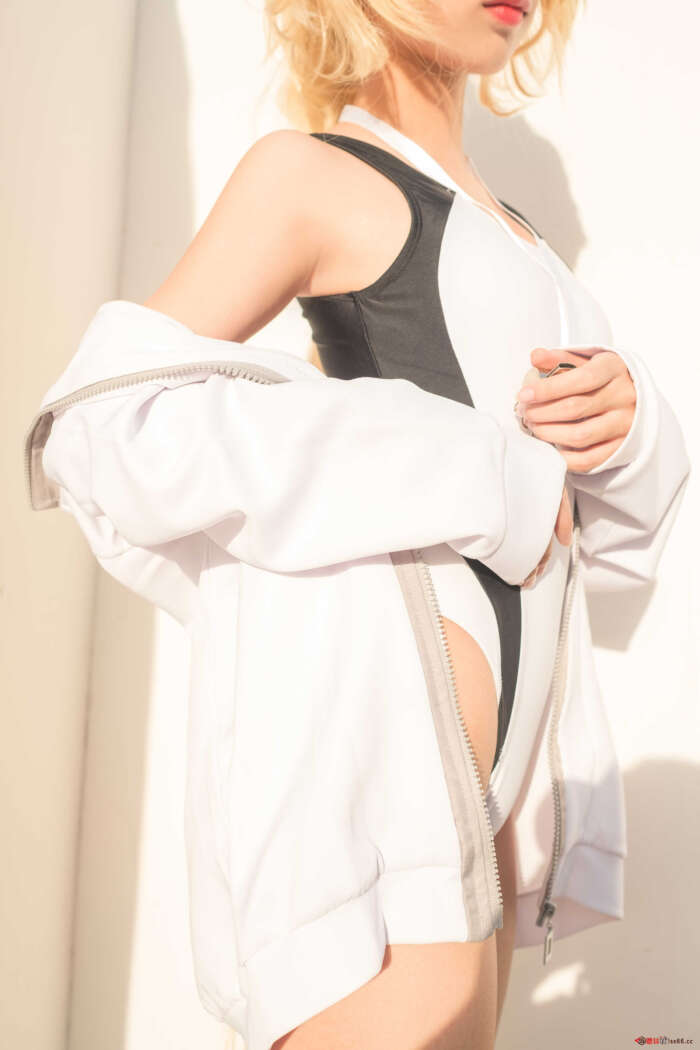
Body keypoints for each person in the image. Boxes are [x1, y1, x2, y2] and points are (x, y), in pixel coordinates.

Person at [24, 1, 690, 1048]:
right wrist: (479, 463)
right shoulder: (311, 175)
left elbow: (586, 548)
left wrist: (631, 425)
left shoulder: (519, 235)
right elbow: (103, 426)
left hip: (514, 735)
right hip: (401, 705)